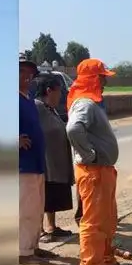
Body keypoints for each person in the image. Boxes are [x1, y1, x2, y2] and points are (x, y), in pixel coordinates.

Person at [66, 58, 122, 265]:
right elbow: (73, 128)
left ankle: (106, 261)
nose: (105, 82)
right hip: (93, 171)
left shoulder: (91, 102)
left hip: (102, 170)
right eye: (102, 77)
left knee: (108, 219)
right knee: (94, 221)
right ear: (93, 78)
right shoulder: (85, 104)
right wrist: (89, 154)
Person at [19, 54, 54, 265]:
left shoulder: (27, 98)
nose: (27, 77)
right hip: (23, 165)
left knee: (36, 208)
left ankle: (34, 246)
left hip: (36, 162)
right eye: (22, 72)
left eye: (30, 74)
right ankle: (23, 252)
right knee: (25, 210)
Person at [34, 75, 75, 242]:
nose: (61, 95)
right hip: (45, 161)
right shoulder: (36, 107)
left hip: (55, 161)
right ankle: (40, 230)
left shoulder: (50, 109)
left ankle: (52, 226)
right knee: (41, 196)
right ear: (49, 91)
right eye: (59, 91)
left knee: (52, 195)